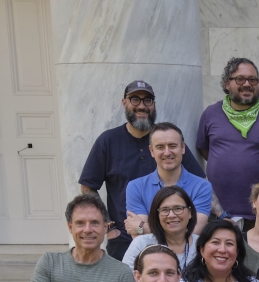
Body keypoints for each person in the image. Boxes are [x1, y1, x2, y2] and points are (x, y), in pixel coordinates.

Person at [78, 80, 205, 260]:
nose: (142, 106)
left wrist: (222, 214)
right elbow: (88, 187)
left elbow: (200, 181)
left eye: (148, 100)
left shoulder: (167, 141)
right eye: (135, 99)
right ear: (125, 103)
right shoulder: (108, 141)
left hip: (175, 238)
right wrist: (109, 226)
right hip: (124, 239)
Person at [197, 58, 259, 224]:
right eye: (240, 79)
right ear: (227, 84)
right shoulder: (211, 114)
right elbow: (204, 150)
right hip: (219, 213)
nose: (247, 84)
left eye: (253, 79)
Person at [123, 122, 213, 239]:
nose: (167, 152)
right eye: (160, 147)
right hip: (149, 256)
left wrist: (143, 227)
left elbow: (193, 232)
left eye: (172, 146)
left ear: (182, 148)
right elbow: (140, 239)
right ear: (151, 151)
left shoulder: (202, 186)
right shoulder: (135, 187)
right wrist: (178, 229)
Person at [122, 185, 199, 270]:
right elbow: (126, 280)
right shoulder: (141, 244)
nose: (171, 215)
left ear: (190, 212)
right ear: (157, 215)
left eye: (178, 208)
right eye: (165, 210)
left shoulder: (201, 245)